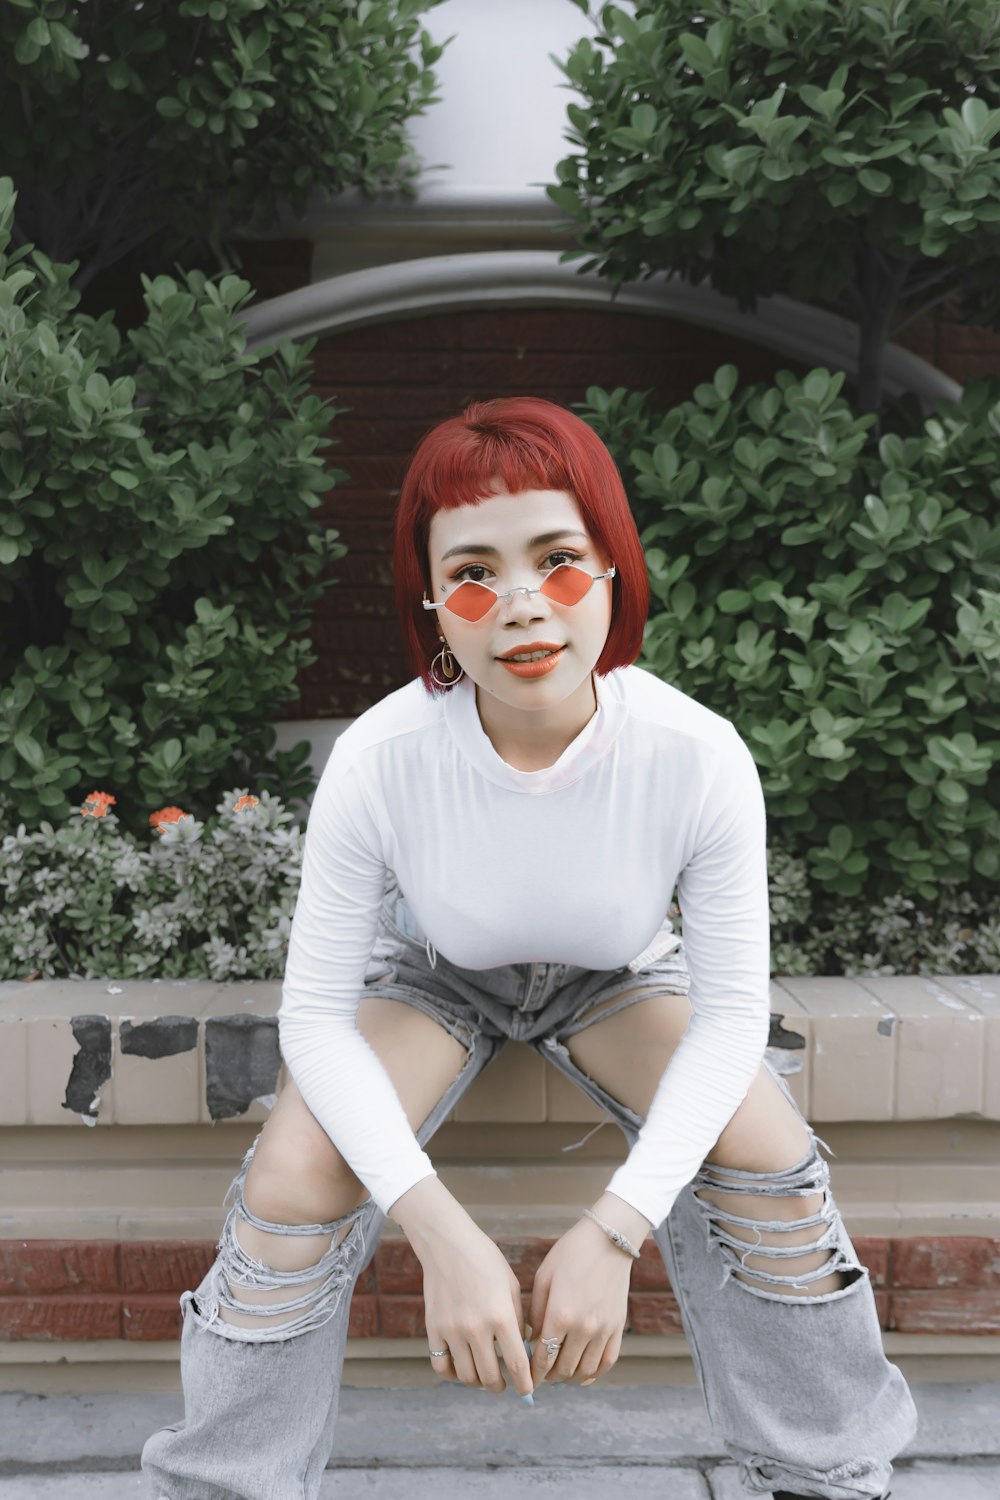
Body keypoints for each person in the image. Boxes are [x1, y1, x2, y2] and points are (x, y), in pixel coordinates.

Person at [142, 396, 917, 1500]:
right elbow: (312, 1017)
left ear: (610, 567)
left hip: (615, 976)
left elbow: (732, 1015)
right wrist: (439, 1232)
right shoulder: (381, 757)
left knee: (769, 1165)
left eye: (557, 560)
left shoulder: (695, 755)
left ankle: (823, 1474)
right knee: (293, 1174)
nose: (519, 607)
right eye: (472, 574)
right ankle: (225, 1483)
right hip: (436, 974)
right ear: (433, 605)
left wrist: (613, 1231)